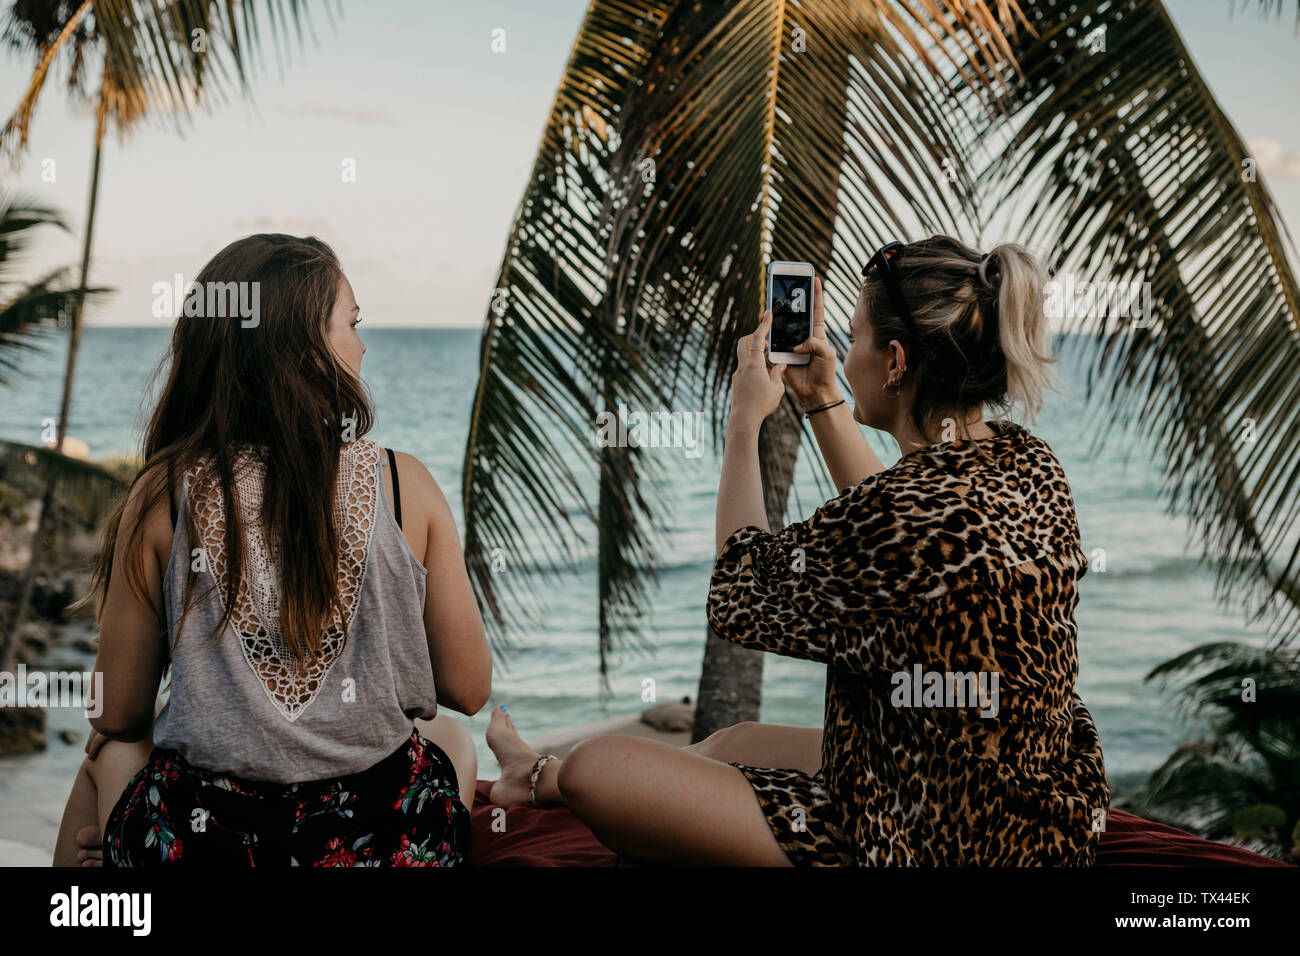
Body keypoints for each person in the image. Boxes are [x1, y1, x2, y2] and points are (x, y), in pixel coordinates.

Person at [485, 236, 1109, 865]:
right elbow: (906, 534)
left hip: (936, 838)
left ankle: (535, 778)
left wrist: (743, 421)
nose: (845, 348)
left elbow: (738, 589)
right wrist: (818, 400)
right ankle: (540, 774)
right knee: (735, 739)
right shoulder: (1028, 460)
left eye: (856, 334)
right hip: (1027, 801)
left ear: (895, 359)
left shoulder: (900, 517)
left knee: (598, 767)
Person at [52, 234, 492, 866]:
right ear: (306, 347)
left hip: (214, 846)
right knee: (449, 736)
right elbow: (469, 689)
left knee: (109, 754)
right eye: (353, 323)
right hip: (375, 844)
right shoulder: (403, 483)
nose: (364, 345)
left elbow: (117, 711)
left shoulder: (163, 494)